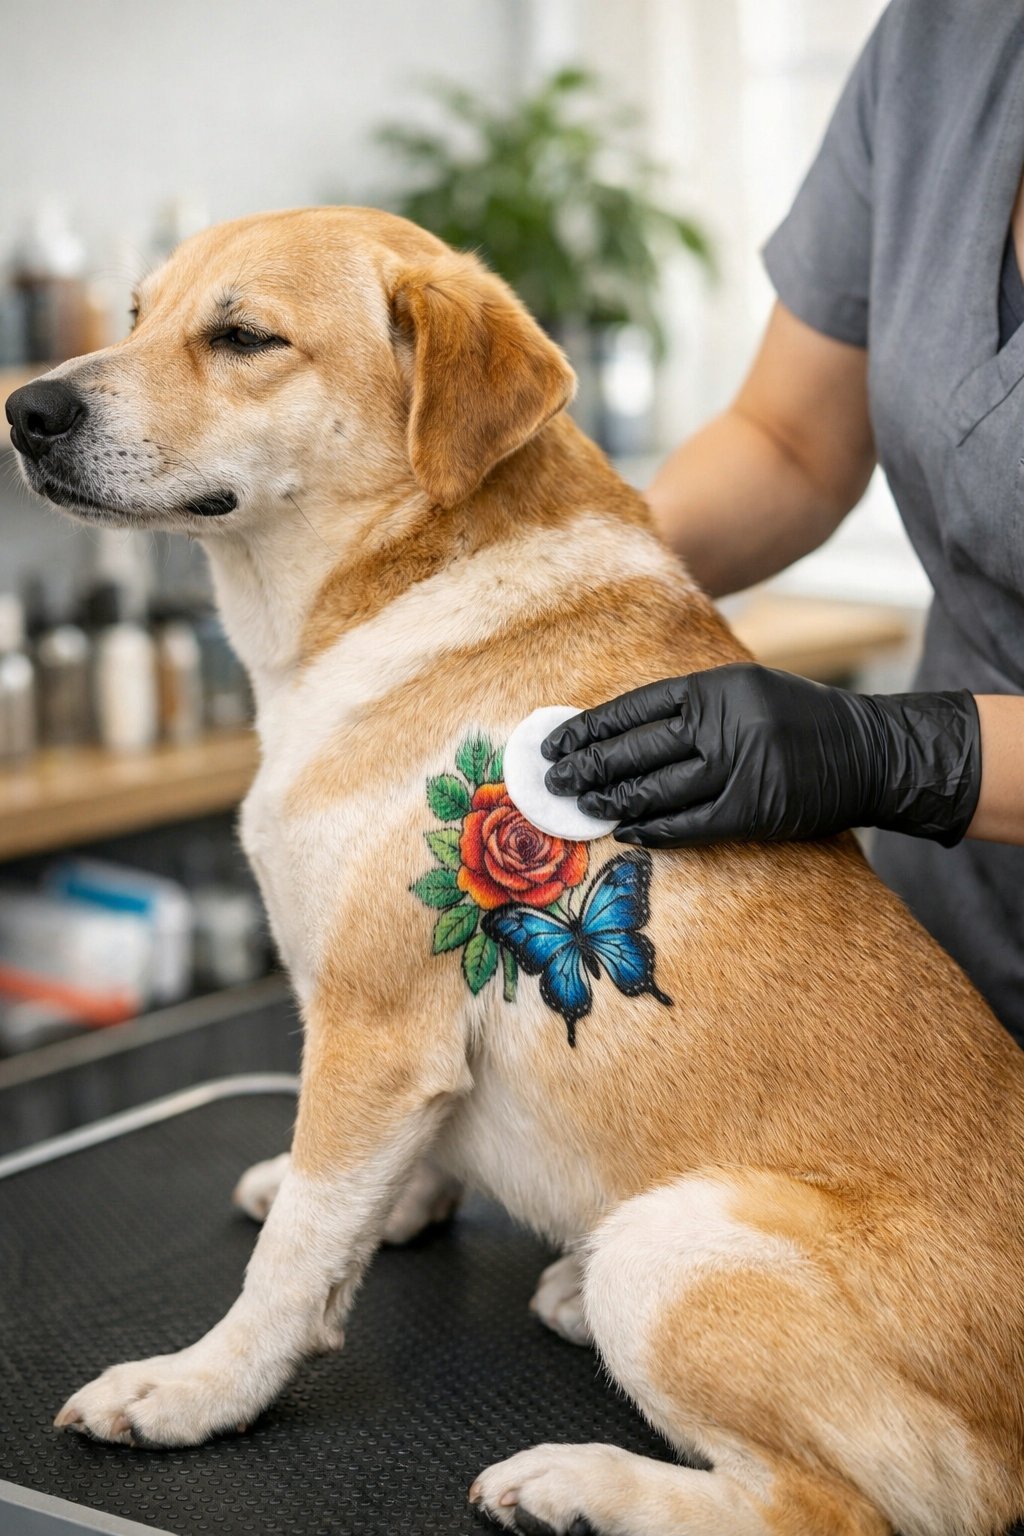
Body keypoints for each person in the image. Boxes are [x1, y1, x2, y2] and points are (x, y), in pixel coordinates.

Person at [541, 0, 1024, 1046]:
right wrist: (583, 584)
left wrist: (897, 756)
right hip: (955, 939)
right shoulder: (944, 40)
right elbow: (789, 440)